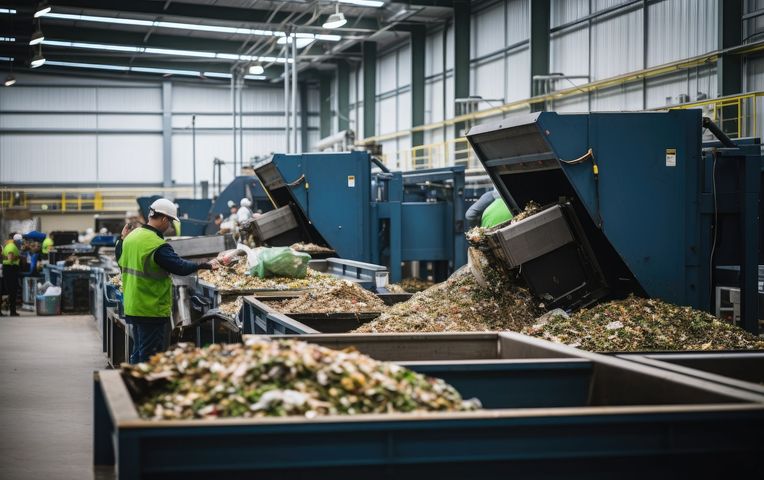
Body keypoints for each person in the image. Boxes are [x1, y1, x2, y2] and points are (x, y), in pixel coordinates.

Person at [116, 198, 218, 364]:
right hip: (151, 307)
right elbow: (180, 267)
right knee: (149, 356)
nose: (169, 226)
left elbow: (120, 260)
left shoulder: (131, 237)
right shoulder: (156, 245)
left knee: (139, 350)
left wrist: (121, 239)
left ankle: (132, 381)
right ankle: (143, 387)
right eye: (170, 221)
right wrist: (207, 264)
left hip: (133, 305)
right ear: (163, 219)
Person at [2, 233, 22, 316]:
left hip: (8, 270)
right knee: (12, 291)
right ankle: (12, 311)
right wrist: (17, 258)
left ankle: (12, 311)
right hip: (11, 270)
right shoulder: (12, 247)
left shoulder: (8, 245)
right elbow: (10, 259)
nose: (21, 243)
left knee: (10, 291)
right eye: (20, 241)